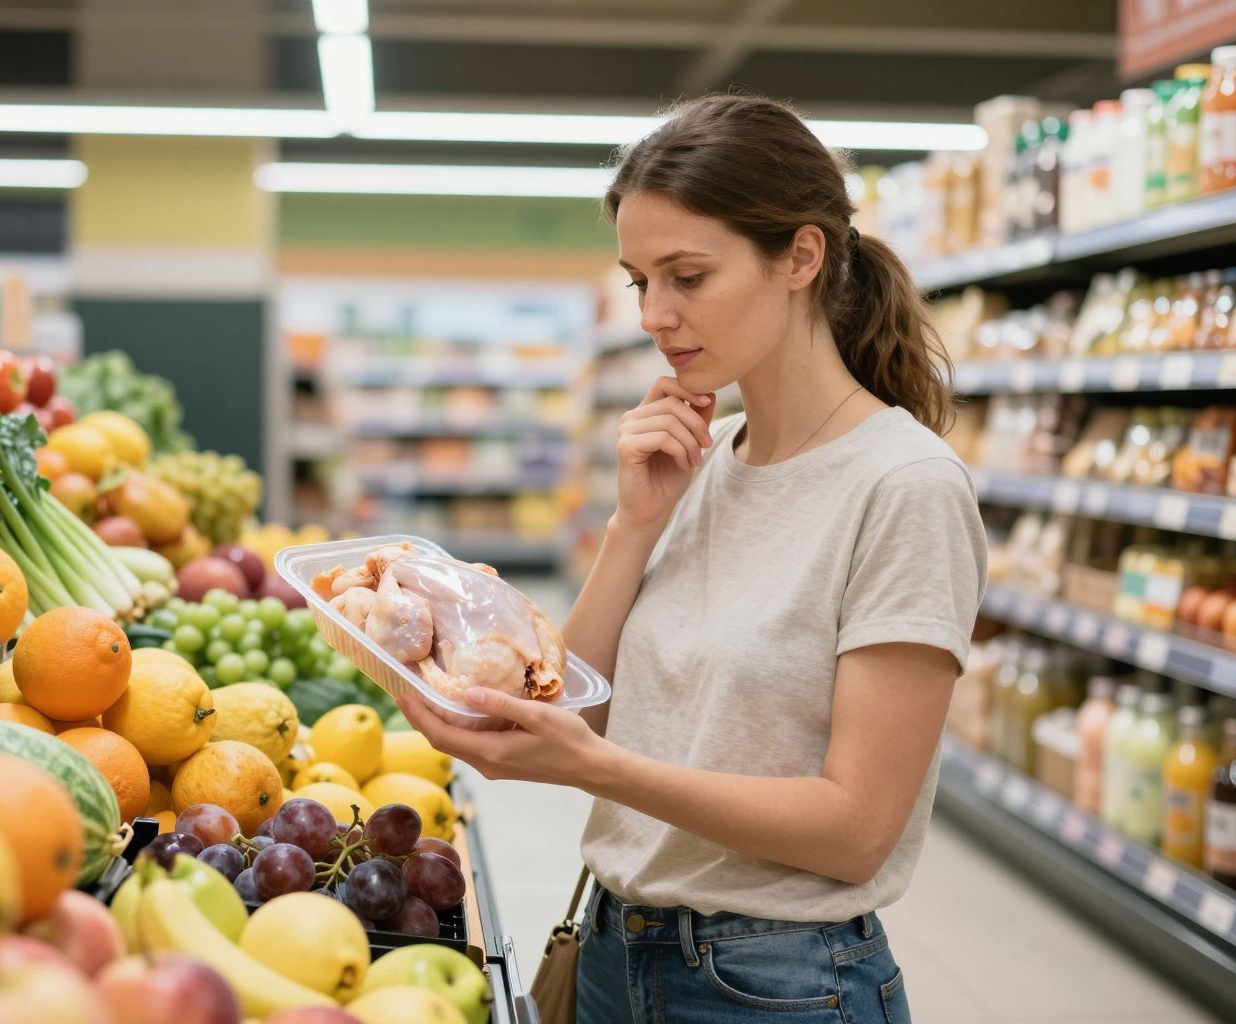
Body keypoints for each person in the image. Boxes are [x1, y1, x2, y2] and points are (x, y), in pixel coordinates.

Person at [396, 94, 987, 1023]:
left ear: (801, 257)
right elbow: (575, 706)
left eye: (688, 276)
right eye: (639, 281)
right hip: (611, 951)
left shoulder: (905, 486)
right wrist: (633, 526)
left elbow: (856, 829)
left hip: (776, 985)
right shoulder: (700, 458)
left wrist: (600, 772)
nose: (653, 314)